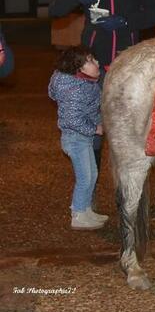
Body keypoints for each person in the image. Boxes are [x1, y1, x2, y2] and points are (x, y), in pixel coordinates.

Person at [49, 0, 155, 172]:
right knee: (93, 129)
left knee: (131, 127)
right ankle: (89, 188)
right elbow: (55, 10)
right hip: (93, 67)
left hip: (129, 65)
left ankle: (132, 187)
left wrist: (124, 21)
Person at [48, 46, 107, 230]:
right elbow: (72, 118)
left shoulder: (84, 82)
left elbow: (51, 91)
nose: (97, 63)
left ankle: (86, 210)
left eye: (94, 59)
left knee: (92, 174)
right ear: (78, 68)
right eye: (90, 61)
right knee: (85, 177)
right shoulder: (75, 90)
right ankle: (78, 215)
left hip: (82, 138)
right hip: (76, 139)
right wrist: (94, 128)